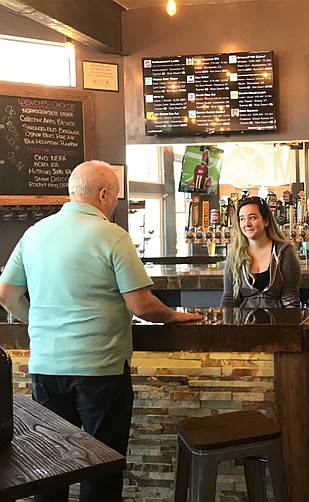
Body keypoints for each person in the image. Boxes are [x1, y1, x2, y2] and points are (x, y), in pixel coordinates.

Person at [0, 160, 202, 502]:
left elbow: (6, 294)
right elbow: (141, 305)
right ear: (104, 194)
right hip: (100, 370)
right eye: (116, 198)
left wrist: (37, 322)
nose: (115, 205)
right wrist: (175, 317)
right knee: (102, 466)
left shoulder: (34, 233)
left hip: (46, 368)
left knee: (50, 468)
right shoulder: (112, 235)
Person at [220, 195, 301, 308]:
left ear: (266, 221)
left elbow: (290, 299)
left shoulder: (284, 252)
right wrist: (226, 324)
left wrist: (288, 325)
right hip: (243, 323)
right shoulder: (235, 255)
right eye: (242, 219)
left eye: (252, 218)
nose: (246, 224)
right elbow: (229, 299)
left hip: (277, 322)